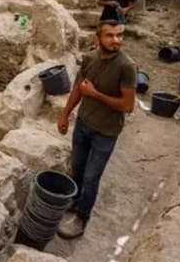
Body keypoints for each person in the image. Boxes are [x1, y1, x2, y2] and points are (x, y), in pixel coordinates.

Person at [56, 20, 137, 238]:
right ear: (97, 38)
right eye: (110, 35)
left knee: (92, 176)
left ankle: (82, 216)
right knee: (77, 168)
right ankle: (73, 202)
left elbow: (127, 106)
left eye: (119, 35)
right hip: (83, 124)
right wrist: (65, 114)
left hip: (106, 131)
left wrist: (96, 95)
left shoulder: (126, 67)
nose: (116, 40)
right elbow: (78, 88)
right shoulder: (90, 58)